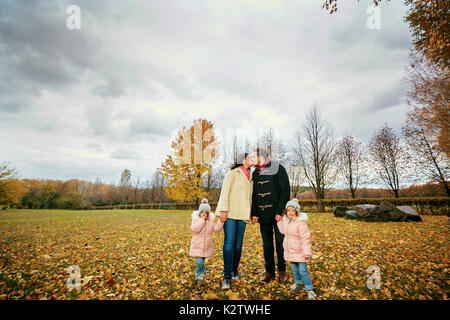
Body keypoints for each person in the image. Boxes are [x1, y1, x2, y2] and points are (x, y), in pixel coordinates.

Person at [216, 152, 256, 290]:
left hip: (243, 214)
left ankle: (234, 271)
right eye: (249, 158)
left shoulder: (251, 177)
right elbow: (225, 192)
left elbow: (250, 198)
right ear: (242, 160)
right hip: (230, 213)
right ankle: (226, 276)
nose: (252, 159)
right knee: (229, 243)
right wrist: (223, 210)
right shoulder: (233, 173)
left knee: (238, 245)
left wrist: (252, 214)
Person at [251, 146, 290, 283]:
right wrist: (254, 213)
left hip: (278, 215)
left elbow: (285, 191)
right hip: (263, 215)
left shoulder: (278, 167)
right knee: (267, 244)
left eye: (253, 156)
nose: (251, 158)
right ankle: (269, 272)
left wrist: (280, 211)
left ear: (260, 156)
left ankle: (282, 271)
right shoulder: (255, 173)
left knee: (280, 243)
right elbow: (254, 195)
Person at [276, 198, 317, 300]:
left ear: (297, 211)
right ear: (286, 211)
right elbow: (283, 231)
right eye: (289, 210)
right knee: (295, 269)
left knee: (303, 270)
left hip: (300, 251)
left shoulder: (301, 222)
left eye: (293, 210)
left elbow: (305, 238)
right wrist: (280, 222)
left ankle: (309, 289)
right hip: (290, 250)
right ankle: (298, 284)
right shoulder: (286, 220)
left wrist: (307, 252)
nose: (290, 212)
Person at [189, 199, 224, 285]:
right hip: (197, 245)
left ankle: (200, 274)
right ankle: (200, 275)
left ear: (208, 214)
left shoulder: (210, 222)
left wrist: (221, 221)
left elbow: (216, 228)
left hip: (206, 246)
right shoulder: (196, 220)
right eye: (202, 212)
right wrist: (202, 220)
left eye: (206, 212)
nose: (204, 213)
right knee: (199, 262)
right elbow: (195, 229)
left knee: (202, 261)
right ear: (199, 213)